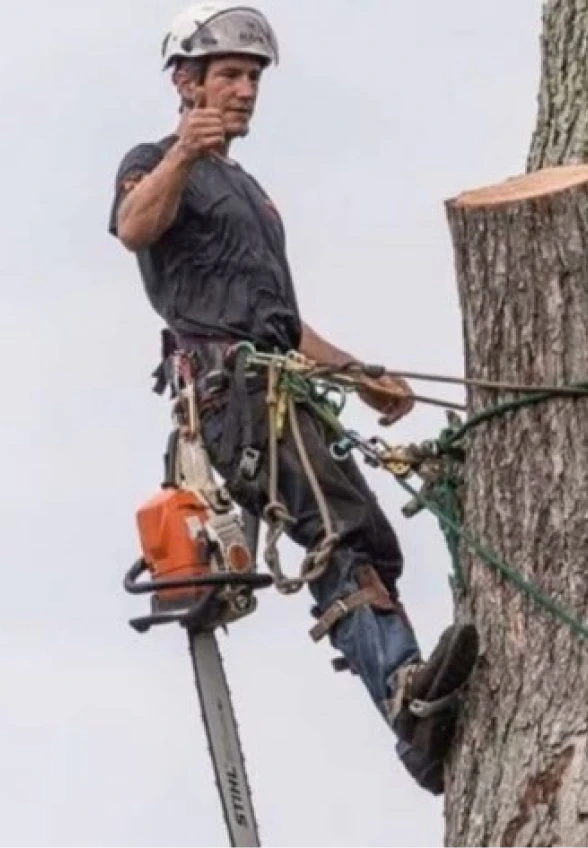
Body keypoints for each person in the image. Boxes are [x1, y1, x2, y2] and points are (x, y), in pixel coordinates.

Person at [108, 2, 479, 795]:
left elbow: (278, 320)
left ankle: (412, 702)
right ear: (186, 81)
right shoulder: (153, 159)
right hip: (232, 392)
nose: (243, 92)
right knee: (335, 533)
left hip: (278, 383)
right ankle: (407, 701)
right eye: (229, 76)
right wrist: (181, 154)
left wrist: (357, 371)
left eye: (251, 79)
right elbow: (133, 228)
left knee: (369, 538)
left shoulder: (248, 192)